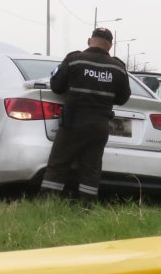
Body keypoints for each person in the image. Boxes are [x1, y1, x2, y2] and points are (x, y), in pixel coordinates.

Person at [39, 28, 131, 205]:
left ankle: (48, 203)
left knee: (59, 163)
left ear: (89, 41)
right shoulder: (117, 67)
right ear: (110, 46)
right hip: (100, 125)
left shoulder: (75, 59)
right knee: (92, 168)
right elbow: (123, 98)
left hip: (73, 122)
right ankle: (86, 206)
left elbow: (56, 86)